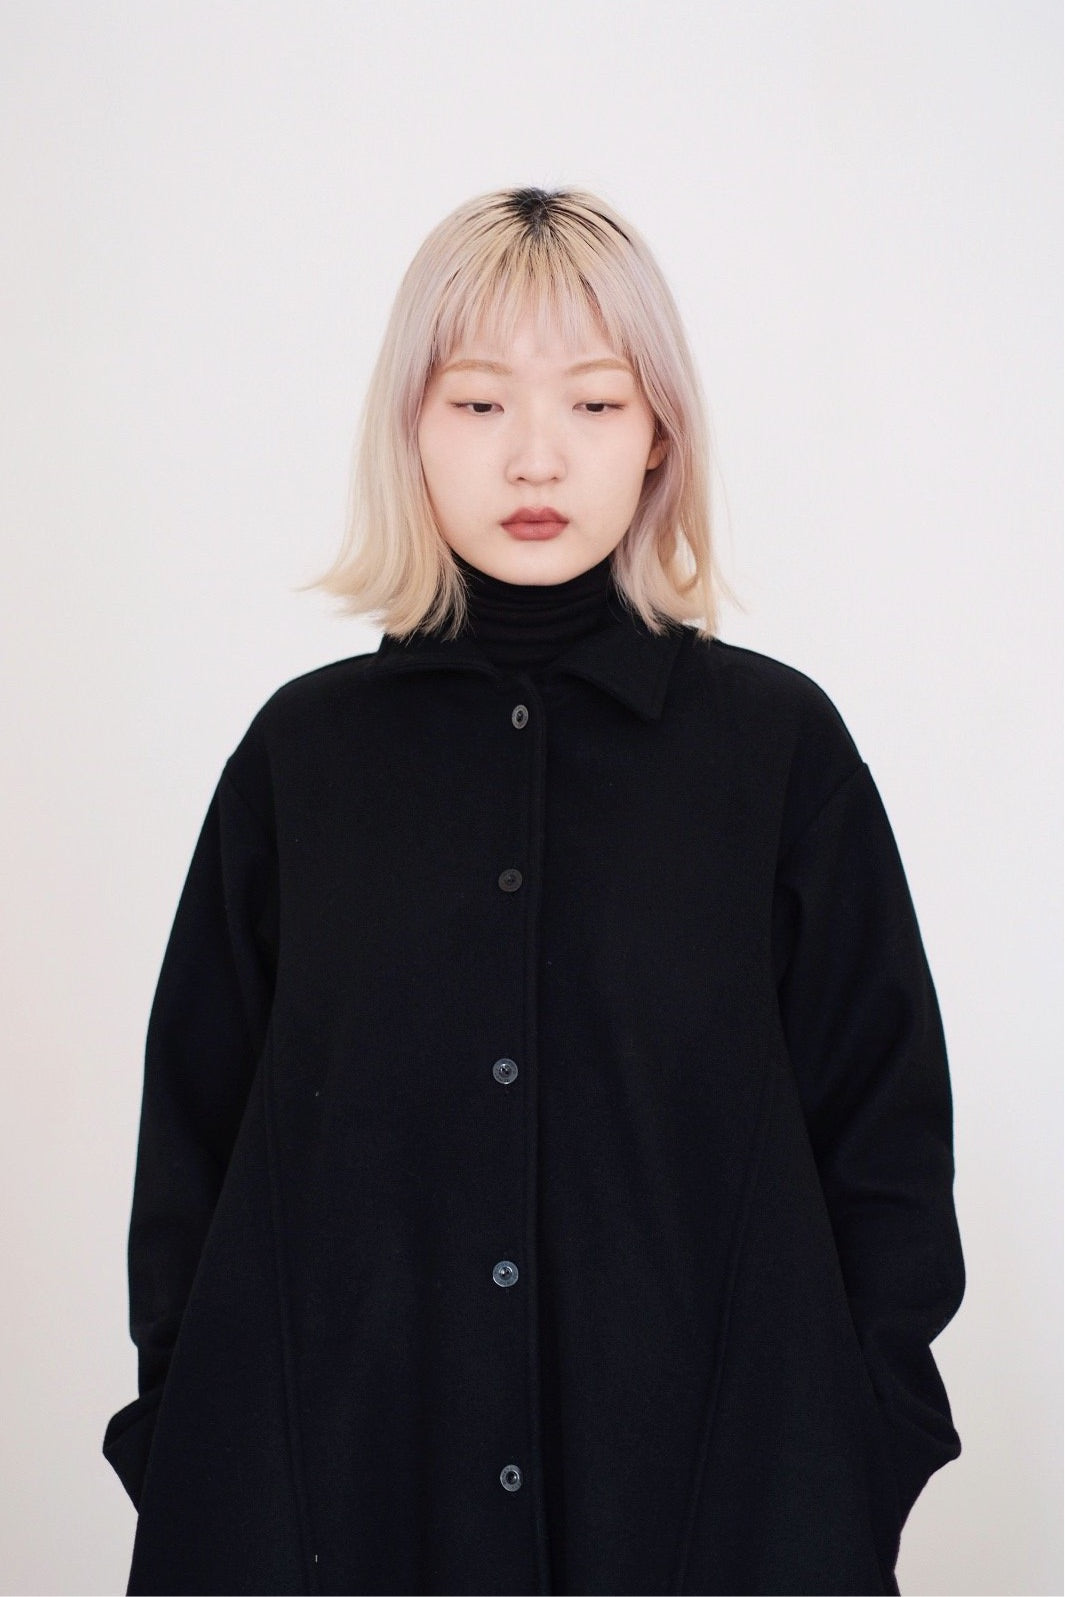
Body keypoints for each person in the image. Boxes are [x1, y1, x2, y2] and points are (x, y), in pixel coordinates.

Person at [102, 186, 965, 1597]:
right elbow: (189, 1147)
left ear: (659, 433)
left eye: (596, 403)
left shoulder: (776, 754)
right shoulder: (300, 761)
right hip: (339, 1517)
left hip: (717, 1526)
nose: (536, 456)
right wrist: (190, 1435)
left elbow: (883, 1134)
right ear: (412, 426)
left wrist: (859, 1448)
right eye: (480, 402)